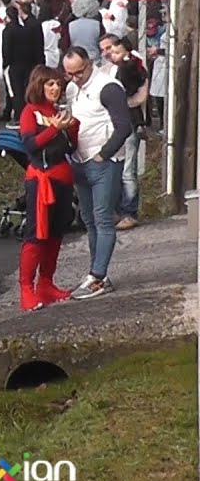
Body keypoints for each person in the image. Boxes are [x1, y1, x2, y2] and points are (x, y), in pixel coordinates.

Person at [63, 47, 133, 299]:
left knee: (103, 218)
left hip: (104, 161)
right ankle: (95, 271)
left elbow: (124, 126)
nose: (75, 78)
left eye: (79, 72)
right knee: (89, 219)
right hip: (79, 160)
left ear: (90, 64)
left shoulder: (108, 87)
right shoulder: (72, 89)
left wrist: (104, 153)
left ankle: (99, 276)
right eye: (70, 74)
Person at [18, 67, 78, 311]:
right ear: (39, 85)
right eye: (50, 84)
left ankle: (46, 283)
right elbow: (30, 145)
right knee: (36, 234)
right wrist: (55, 129)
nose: (55, 88)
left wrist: (72, 129)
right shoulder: (30, 111)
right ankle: (26, 288)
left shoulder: (56, 112)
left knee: (55, 233)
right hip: (41, 180)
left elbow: (70, 148)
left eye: (58, 84)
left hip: (62, 179)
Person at [106, 37, 149, 230]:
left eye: (115, 51)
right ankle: (119, 208)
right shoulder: (118, 68)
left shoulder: (130, 67)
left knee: (127, 170)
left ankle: (129, 211)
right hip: (120, 121)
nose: (111, 55)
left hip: (128, 120)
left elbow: (138, 95)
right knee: (119, 167)